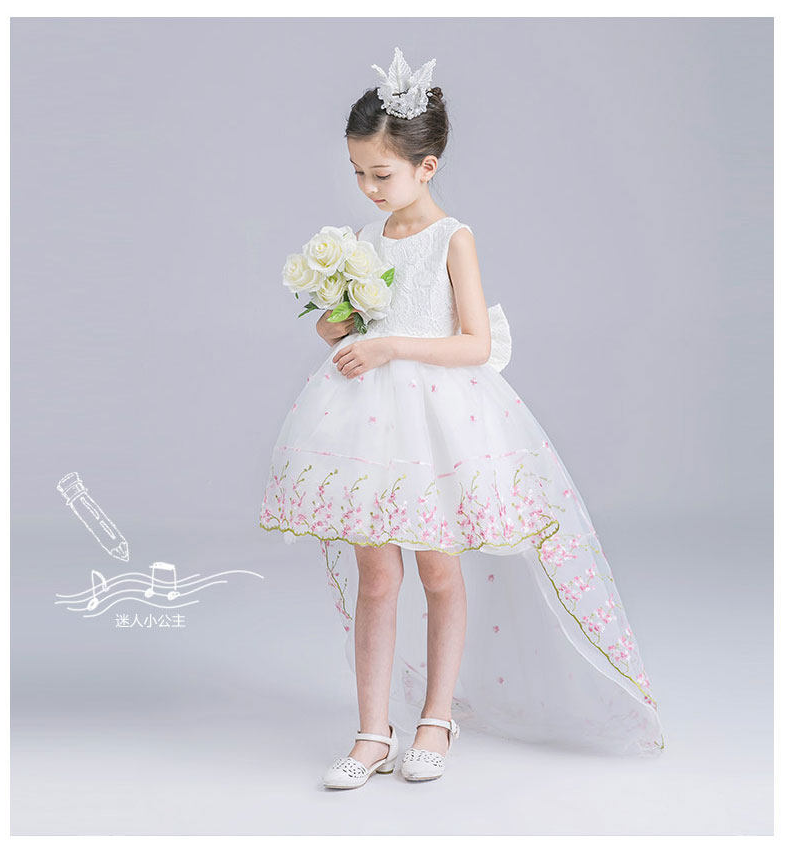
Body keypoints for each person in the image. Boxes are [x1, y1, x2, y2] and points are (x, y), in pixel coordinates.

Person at [259, 47, 665, 789]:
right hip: (368, 422)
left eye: (381, 174)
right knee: (376, 573)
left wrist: (388, 345)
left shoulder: (454, 239)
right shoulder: (366, 243)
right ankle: (371, 729)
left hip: (437, 423)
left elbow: (475, 343)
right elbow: (350, 325)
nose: (367, 188)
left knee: (439, 569)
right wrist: (340, 322)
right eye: (357, 172)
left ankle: (436, 717)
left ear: (427, 166)